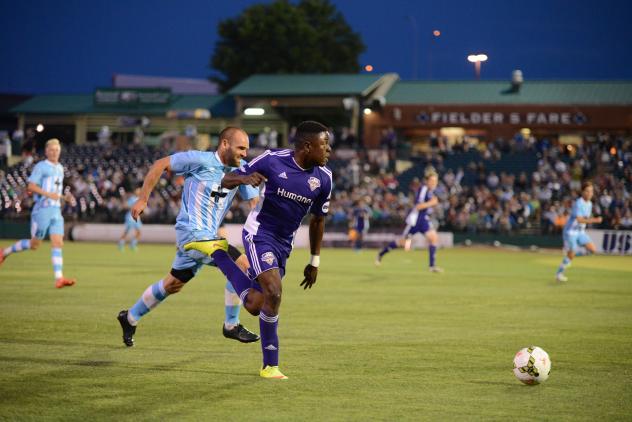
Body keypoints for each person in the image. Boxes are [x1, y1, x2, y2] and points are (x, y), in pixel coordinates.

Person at [187, 120, 333, 380]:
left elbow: (318, 221)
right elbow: (226, 178)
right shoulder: (272, 160)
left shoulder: (324, 179)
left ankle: (218, 252)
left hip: (283, 244)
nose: (329, 150)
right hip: (259, 233)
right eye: (325, 145)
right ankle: (270, 366)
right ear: (308, 146)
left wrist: (315, 261)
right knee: (274, 292)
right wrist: (244, 177)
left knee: (256, 305)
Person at [116, 127, 264, 347]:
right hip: (191, 234)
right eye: (241, 148)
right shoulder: (199, 160)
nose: (244, 153)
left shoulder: (241, 171)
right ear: (224, 144)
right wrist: (142, 200)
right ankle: (231, 325)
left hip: (207, 238)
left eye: (246, 149)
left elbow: (254, 206)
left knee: (173, 284)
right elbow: (160, 164)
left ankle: (129, 317)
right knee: (244, 266)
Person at [0, 138, 76, 288]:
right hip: (42, 210)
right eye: (52, 150)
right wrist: (48, 194)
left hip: (55, 210)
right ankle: (4, 252)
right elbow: (31, 186)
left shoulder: (60, 168)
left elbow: (56, 191)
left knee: (58, 242)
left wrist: (65, 197)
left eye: (57, 150)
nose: (54, 153)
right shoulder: (41, 167)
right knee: (35, 244)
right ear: (46, 151)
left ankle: (59, 278)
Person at [375, 168, 443, 272]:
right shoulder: (423, 189)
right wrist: (432, 203)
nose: (434, 183)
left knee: (433, 238)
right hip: (415, 221)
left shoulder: (430, 191)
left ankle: (432, 266)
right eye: (432, 181)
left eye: (436, 181)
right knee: (402, 242)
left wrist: (432, 204)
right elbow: (418, 206)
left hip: (423, 220)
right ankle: (381, 254)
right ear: (427, 181)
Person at [556, 181, 602, 282]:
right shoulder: (578, 203)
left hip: (580, 231)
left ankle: (570, 256)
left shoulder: (589, 204)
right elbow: (580, 219)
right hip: (571, 232)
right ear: (582, 192)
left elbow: (585, 217)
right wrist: (595, 220)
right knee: (572, 253)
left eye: (591, 191)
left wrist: (592, 218)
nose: (590, 193)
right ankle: (559, 273)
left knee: (593, 250)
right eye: (587, 191)